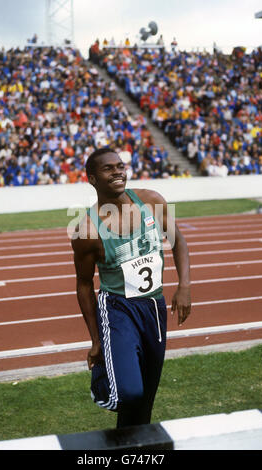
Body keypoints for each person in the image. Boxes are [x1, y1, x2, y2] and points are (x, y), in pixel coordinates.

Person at [71, 148, 191, 428]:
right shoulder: (87, 229)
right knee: (129, 392)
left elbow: (179, 241)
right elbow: (84, 284)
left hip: (154, 307)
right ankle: (102, 379)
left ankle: (133, 451)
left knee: (145, 398)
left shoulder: (151, 201)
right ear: (92, 179)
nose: (117, 172)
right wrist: (96, 340)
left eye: (120, 166)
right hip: (117, 309)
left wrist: (184, 286)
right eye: (108, 169)